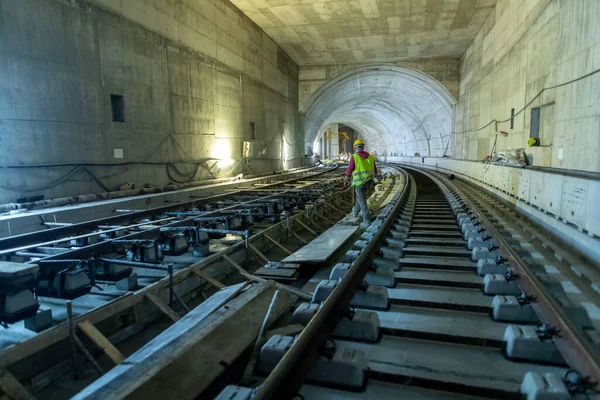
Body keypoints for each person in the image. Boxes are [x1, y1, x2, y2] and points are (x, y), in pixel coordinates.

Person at [344, 139, 378, 226]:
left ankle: (366, 220)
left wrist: (346, 178)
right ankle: (355, 211)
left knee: (362, 201)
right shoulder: (370, 157)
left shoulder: (354, 157)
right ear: (363, 147)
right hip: (368, 182)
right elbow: (375, 170)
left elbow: (349, 169)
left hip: (359, 183)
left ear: (355, 148)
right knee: (361, 199)